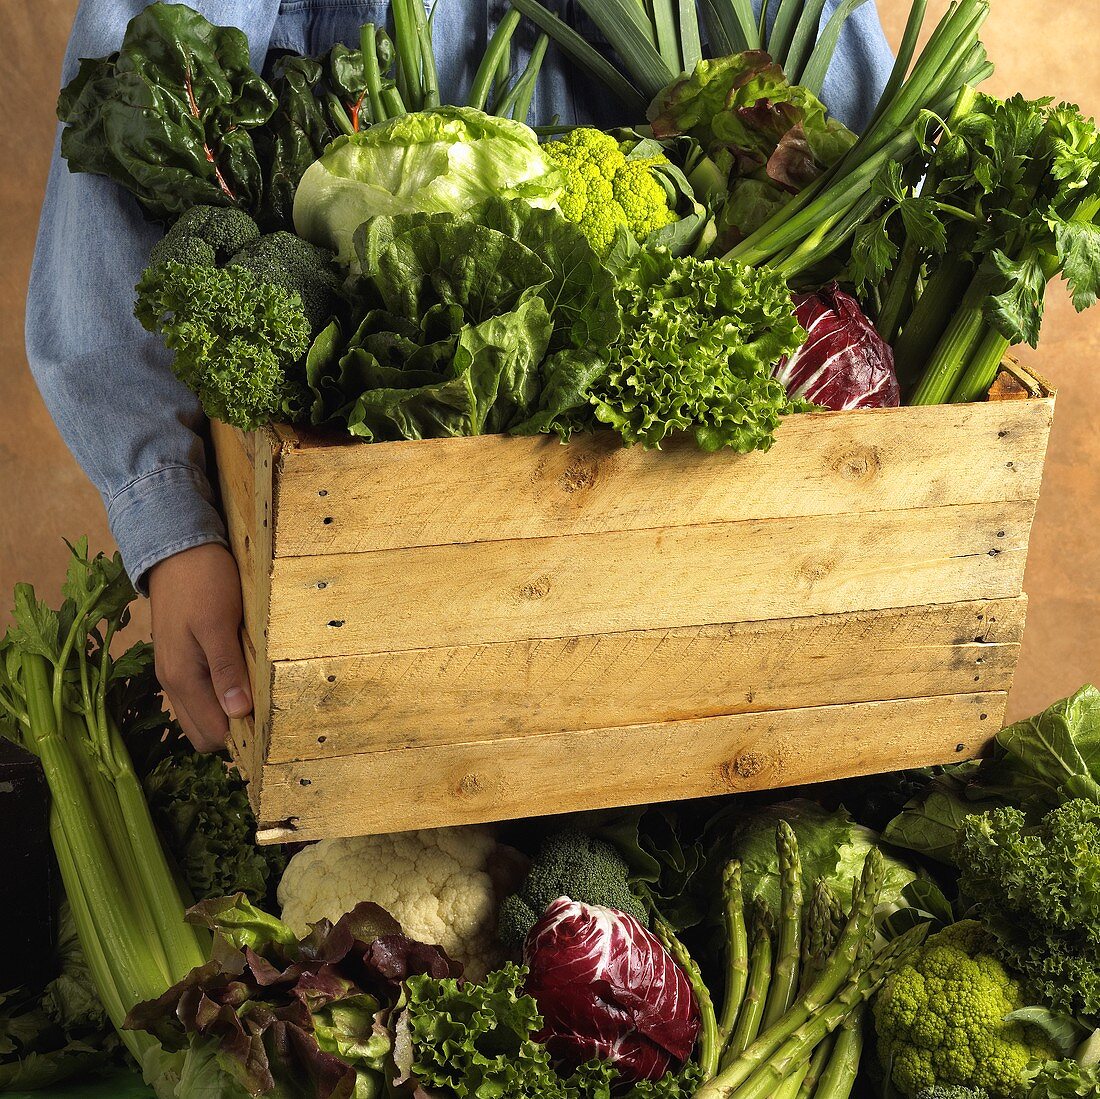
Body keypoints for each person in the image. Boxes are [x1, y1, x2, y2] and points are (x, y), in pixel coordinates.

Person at [26, 0, 895, 752]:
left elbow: (842, 120)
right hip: (365, 545)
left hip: (695, 547)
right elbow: (138, 78)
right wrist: (175, 516)